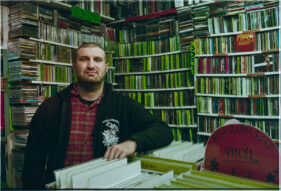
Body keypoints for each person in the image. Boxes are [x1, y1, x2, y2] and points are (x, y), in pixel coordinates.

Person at [22, 42, 173, 189]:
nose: (91, 65)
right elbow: (33, 161)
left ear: (106, 68)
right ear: (74, 66)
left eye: (98, 59)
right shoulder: (51, 107)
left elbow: (163, 131)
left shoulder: (123, 105)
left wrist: (132, 143)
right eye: (84, 59)